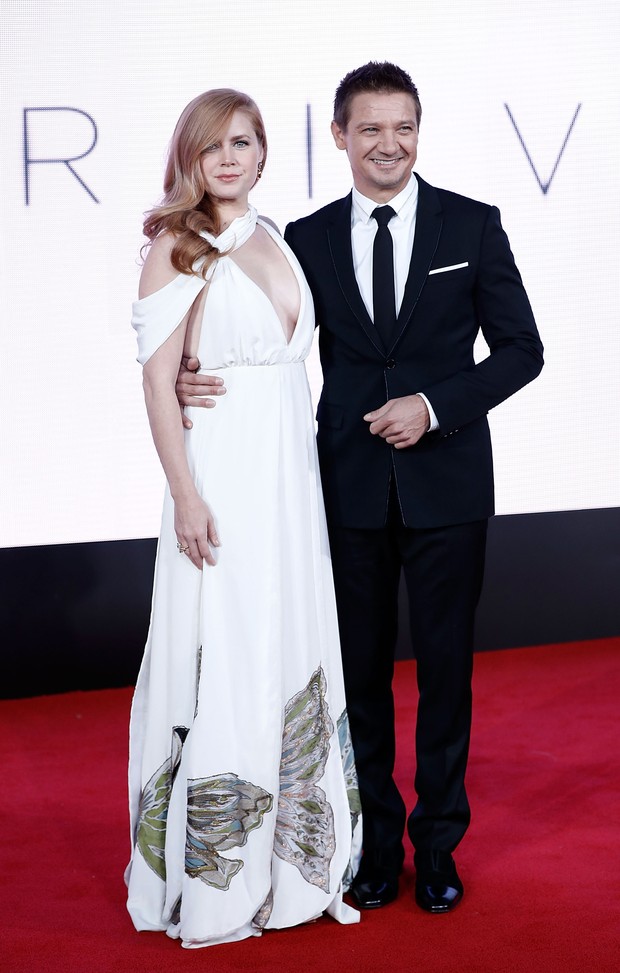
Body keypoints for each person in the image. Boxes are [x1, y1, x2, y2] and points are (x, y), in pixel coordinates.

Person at [177, 63, 544, 915]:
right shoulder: (299, 238)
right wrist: (193, 375)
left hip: (449, 489)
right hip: (339, 492)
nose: (390, 144)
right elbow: (254, 332)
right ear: (339, 136)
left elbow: (523, 351)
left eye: (404, 127)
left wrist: (433, 405)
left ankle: (439, 847)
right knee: (361, 681)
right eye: (370, 129)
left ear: (420, 131)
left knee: (447, 678)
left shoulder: (475, 225)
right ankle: (378, 847)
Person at [125, 88, 361, 949]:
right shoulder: (174, 247)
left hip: (289, 480)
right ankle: (220, 878)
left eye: (243, 142)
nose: (228, 158)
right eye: (211, 145)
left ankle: (290, 869)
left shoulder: (280, 240)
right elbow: (157, 382)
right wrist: (186, 492)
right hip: (220, 474)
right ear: (189, 159)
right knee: (220, 649)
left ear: (264, 152)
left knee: (282, 642)